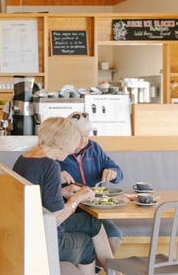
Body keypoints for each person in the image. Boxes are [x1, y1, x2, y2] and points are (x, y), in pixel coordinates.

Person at [12, 117, 115, 275]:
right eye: (73, 143)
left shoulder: (24, 159)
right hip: (45, 237)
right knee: (88, 244)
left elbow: (34, 194)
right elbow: (55, 218)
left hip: (29, 227)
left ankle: (113, 272)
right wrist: (76, 199)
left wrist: (61, 192)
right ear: (62, 142)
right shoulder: (51, 165)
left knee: (91, 222)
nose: (73, 149)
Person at [60, 111, 124, 253]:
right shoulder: (59, 152)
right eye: (79, 136)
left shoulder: (94, 148)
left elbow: (118, 171)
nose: (84, 141)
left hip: (95, 209)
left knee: (114, 238)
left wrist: (113, 172)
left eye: (87, 136)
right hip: (70, 209)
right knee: (87, 241)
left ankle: (94, 271)